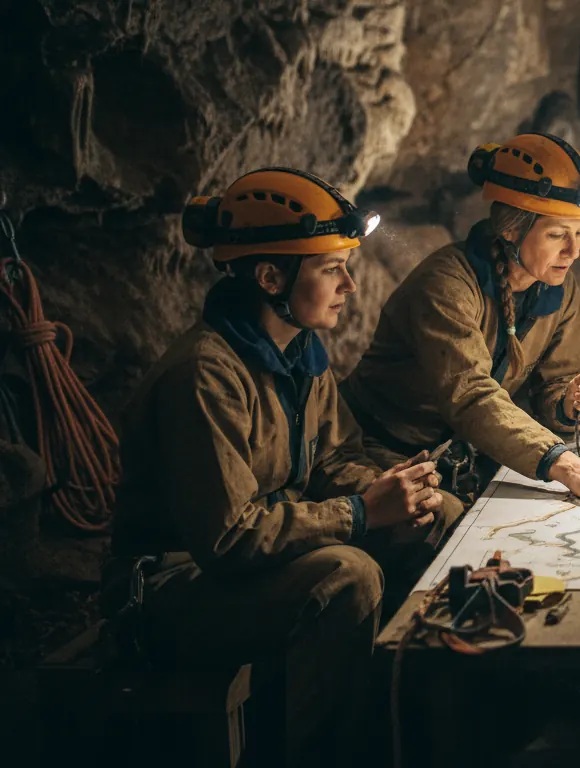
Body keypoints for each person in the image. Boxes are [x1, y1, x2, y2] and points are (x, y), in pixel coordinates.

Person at [108, 167, 443, 765]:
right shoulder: (205, 376)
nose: (350, 284)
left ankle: (407, 722)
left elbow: (334, 457)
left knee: (440, 515)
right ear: (269, 276)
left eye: (348, 264)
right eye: (330, 267)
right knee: (347, 576)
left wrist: (391, 492)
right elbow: (229, 537)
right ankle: (319, 753)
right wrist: (362, 512)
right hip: (168, 589)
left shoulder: (298, 353)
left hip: (246, 566)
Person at [341, 133, 580, 510]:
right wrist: (565, 464)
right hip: (381, 448)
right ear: (511, 228)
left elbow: (555, 385)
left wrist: (571, 402)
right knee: (442, 520)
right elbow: (471, 396)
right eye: (557, 234)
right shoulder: (447, 283)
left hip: (461, 451)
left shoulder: (557, 286)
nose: (574, 251)